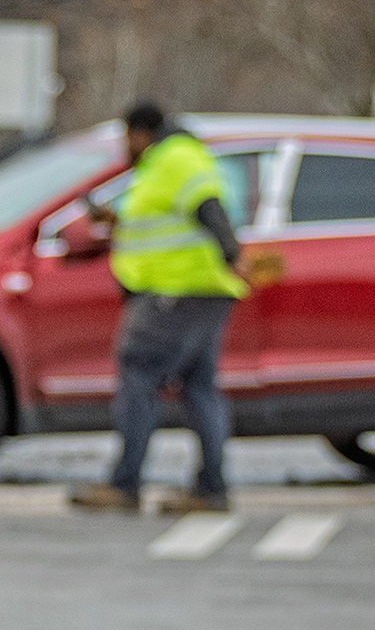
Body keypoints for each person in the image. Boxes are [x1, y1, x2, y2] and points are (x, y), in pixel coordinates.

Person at [70, 102, 249, 515]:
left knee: (138, 375)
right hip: (196, 291)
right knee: (200, 387)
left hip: (176, 292)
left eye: (126, 137)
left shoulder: (175, 158)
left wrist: (232, 251)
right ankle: (211, 489)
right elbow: (166, 219)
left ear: (139, 132)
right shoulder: (166, 162)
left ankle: (125, 484)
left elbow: (207, 206)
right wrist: (117, 221)